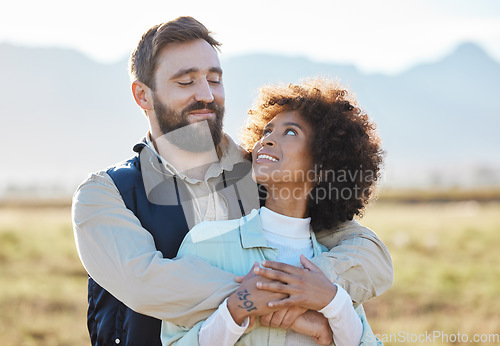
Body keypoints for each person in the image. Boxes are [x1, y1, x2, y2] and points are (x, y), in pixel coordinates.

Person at [72, 16, 393, 345]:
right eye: (186, 82)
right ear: (143, 96)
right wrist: (277, 299)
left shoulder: (267, 174)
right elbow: (145, 284)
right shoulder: (104, 194)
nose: (207, 95)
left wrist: (315, 290)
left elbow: (371, 255)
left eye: (214, 79)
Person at [160, 78, 385, 345]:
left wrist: (333, 302)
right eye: (266, 131)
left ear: (322, 165)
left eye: (290, 132)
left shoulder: (328, 270)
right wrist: (236, 310)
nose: (266, 140)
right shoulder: (205, 242)